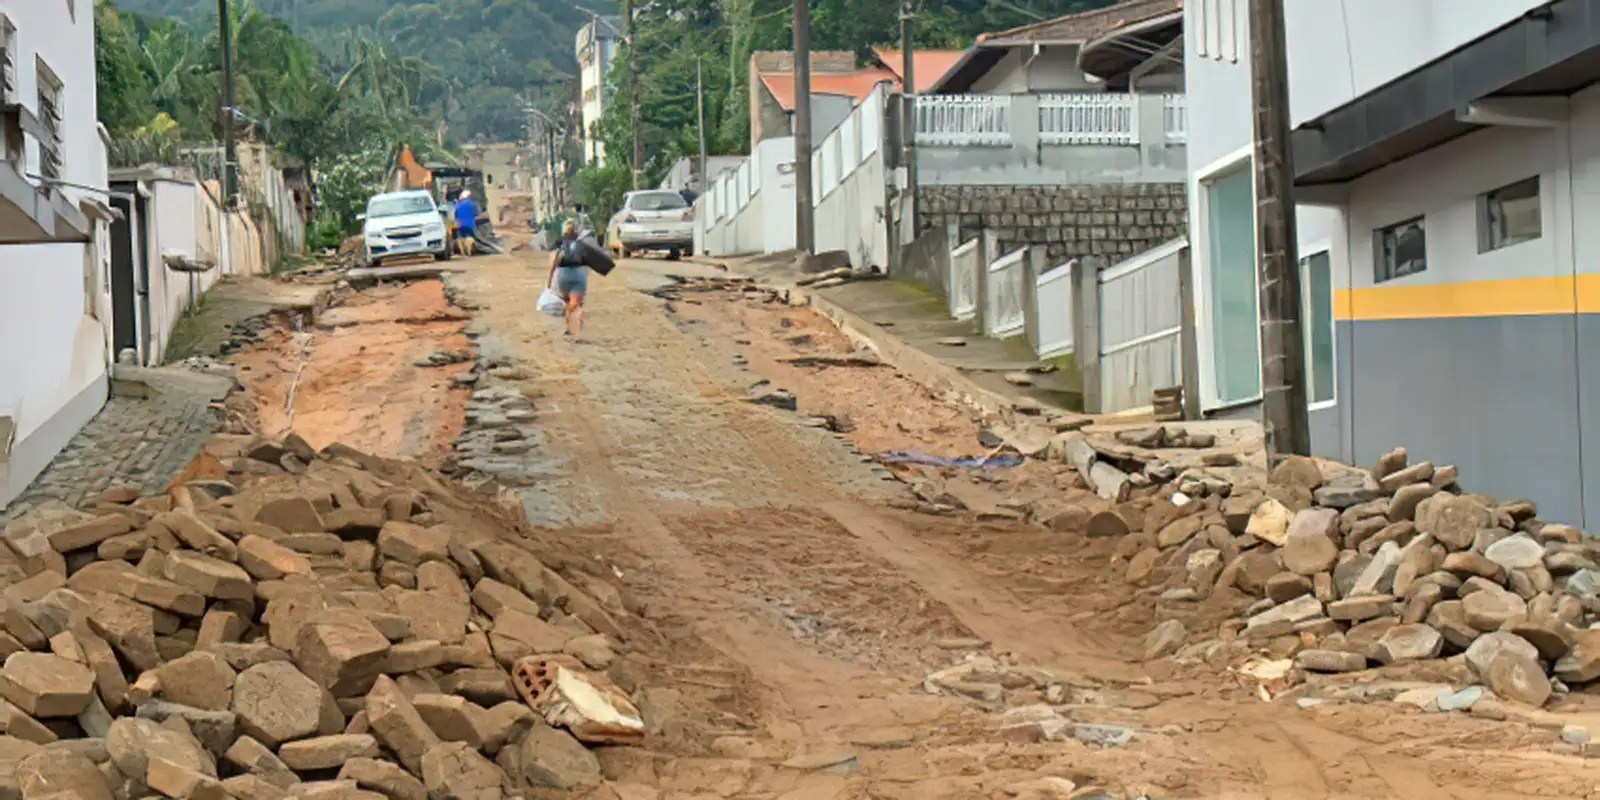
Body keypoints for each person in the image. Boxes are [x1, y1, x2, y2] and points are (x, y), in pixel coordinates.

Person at [547, 219, 588, 339]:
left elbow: (553, 262)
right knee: (576, 304)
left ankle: (568, 329)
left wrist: (549, 280)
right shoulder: (582, 244)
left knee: (567, 303)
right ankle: (578, 328)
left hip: (562, 275)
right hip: (578, 274)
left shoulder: (559, 244)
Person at [454, 190, 480, 256]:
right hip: (470, 225)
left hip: (460, 226)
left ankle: (463, 251)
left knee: (462, 237)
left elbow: (455, 215)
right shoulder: (473, 204)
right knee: (471, 237)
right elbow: (477, 214)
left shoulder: (458, 205)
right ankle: (469, 250)